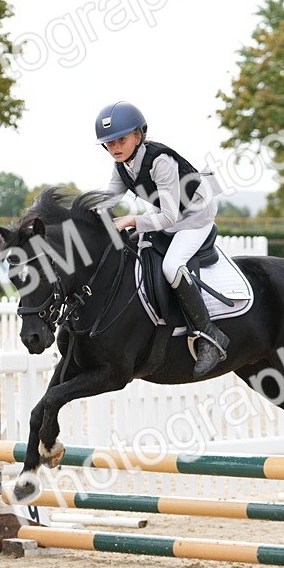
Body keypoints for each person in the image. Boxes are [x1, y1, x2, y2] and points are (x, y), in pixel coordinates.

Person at [95, 100, 229, 377]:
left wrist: (131, 220)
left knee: (170, 265)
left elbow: (169, 219)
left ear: (138, 136)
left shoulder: (161, 161)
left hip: (195, 216)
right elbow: (106, 200)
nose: (115, 147)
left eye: (121, 139)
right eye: (109, 143)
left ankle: (209, 336)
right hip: (166, 212)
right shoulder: (122, 166)